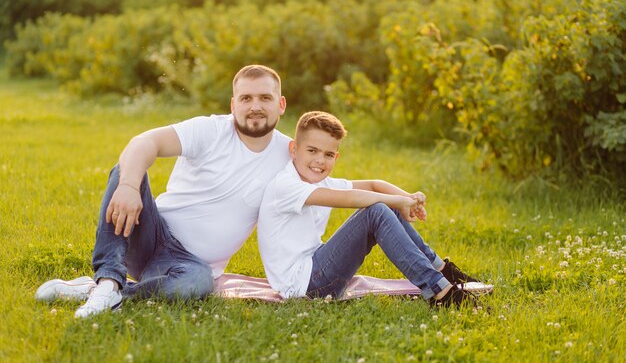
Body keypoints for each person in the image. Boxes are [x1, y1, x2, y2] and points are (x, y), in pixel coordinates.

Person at [35, 65, 291, 317]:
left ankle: (104, 291)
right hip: (150, 235)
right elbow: (145, 142)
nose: (255, 106)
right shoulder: (210, 130)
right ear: (233, 105)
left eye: (265, 98)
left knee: (196, 284)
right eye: (246, 98)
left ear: (280, 104)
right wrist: (128, 187)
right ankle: (109, 279)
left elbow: (317, 190)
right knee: (126, 170)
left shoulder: (289, 155)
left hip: (190, 268)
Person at [257, 111, 489, 307]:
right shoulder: (285, 186)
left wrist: (407, 198)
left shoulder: (318, 181)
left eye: (328, 155)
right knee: (377, 210)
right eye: (312, 151)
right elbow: (350, 198)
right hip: (303, 286)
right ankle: (441, 292)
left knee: (384, 204)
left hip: (314, 269)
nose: (320, 160)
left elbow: (374, 184)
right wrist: (398, 202)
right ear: (294, 149)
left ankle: (443, 270)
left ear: (336, 156)